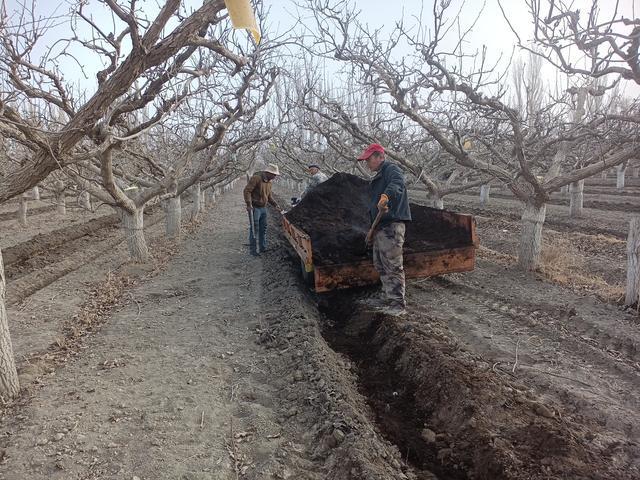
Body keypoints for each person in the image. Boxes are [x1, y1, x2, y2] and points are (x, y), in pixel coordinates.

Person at [358, 143, 411, 316]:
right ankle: (387, 297)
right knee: (380, 264)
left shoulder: (391, 169)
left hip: (391, 226)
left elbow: (397, 183)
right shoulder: (379, 176)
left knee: (393, 265)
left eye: (368, 159)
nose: (367, 164)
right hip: (380, 227)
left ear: (379, 156)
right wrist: (372, 229)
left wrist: (386, 196)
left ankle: (398, 304)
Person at [243, 164, 282, 256]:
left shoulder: (269, 182)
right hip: (255, 207)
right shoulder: (256, 178)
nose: (275, 176)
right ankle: (253, 251)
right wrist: (248, 204)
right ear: (268, 173)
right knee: (254, 229)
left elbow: (269, 196)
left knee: (263, 228)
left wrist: (275, 205)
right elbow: (247, 191)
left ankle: (262, 248)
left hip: (263, 208)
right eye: (274, 174)